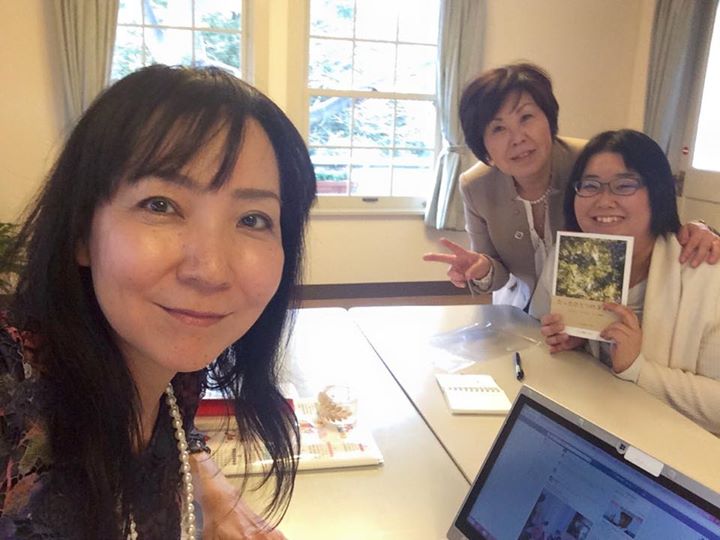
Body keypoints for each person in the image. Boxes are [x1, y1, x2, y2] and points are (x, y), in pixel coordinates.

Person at [0, 64, 316, 538]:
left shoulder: (173, 371)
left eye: (252, 219)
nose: (210, 270)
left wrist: (212, 489)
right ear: (82, 230)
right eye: (160, 206)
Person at [423, 63, 720, 308]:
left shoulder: (590, 164)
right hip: (520, 303)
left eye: (526, 117)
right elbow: (495, 269)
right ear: (484, 147)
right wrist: (483, 269)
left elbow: (649, 205)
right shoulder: (476, 186)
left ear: (549, 120)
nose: (518, 138)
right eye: (498, 128)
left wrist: (698, 228)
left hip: (594, 304)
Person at [531, 129, 720, 435]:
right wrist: (571, 341)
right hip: (587, 425)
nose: (604, 200)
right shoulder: (570, 259)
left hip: (670, 445)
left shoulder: (706, 273)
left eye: (624, 185)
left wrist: (637, 369)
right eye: (590, 185)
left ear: (657, 192)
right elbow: (533, 334)